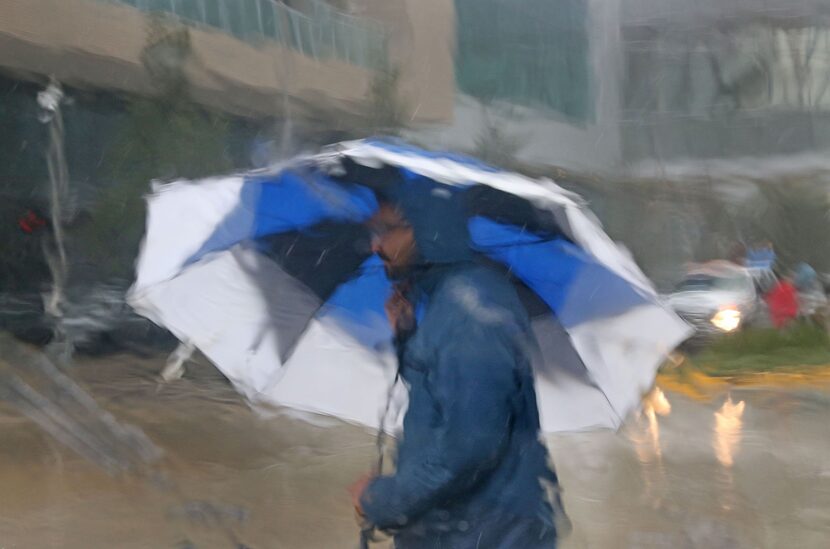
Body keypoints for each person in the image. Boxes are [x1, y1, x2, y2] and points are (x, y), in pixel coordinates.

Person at [349, 181, 562, 548]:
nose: (375, 246)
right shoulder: (448, 300)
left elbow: (469, 448)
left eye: (385, 230)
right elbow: (442, 406)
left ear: (427, 227)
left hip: (484, 533)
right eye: (372, 232)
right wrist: (407, 337)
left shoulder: (470, 309)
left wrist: (381, 500)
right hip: (464, 529)